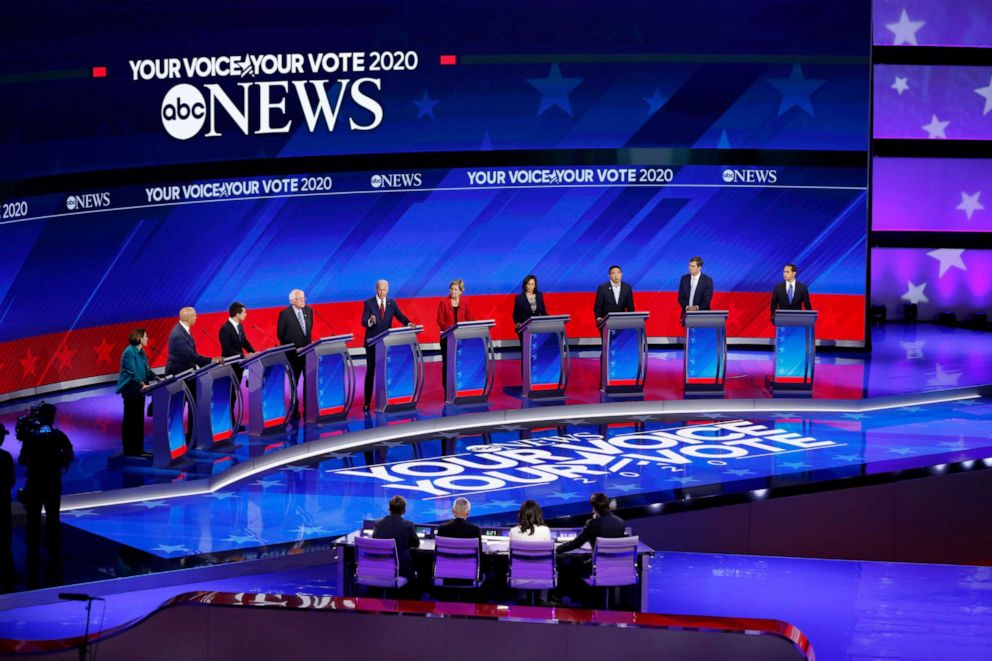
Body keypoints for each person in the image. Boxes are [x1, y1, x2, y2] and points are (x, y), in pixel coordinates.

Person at [18, 403, 74, 587]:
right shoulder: (59, 436)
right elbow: (69, 455)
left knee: (33, 517)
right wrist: (58, 463)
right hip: (52, 481)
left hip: (35, 482)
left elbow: (22, 459)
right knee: (53, 516)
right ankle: (53, 548)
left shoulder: (31, 437)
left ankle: (33, 549)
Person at [361, 280, 414, 412]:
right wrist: (370, 321)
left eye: (384, 290)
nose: (382, 292)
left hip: (386, 344)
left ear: (388, 290)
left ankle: (385, 399)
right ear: (376, 289)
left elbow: (400, 316)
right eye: (380, 290)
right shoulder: (369, 303)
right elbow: (363, 321)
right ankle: (367, 402)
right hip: (372, 343)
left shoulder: (391, 303)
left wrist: (408, 324)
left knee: (385, 372)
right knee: (371, 371)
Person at [115, 328, 158, 457]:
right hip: (130, 391)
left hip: (140, 391)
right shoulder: (129, 352)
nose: (147, 339)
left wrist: (158, 378)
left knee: (139, 420)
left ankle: (139, 449)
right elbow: (132, 373)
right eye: (146, 337)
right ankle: (130, 450)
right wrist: (143, 384)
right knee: (131, 420)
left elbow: (147, 370)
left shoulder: (141, 352)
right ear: (139, 338)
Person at [276, 289, 313, 418]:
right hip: (293, 355)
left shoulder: (309, 311)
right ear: (292, 301)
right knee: (294, 383)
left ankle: (308, 408)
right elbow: (281, 335)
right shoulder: (285, 314)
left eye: (304, 298)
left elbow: (308, 333)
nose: (303, 300)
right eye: (300, 299)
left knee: (309, 381)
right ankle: (294, 410)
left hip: (307, 353)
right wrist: (294, 348)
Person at [556, 492, 625, 555]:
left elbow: (577, 543)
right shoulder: (621, 522)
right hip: (619, 564)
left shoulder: (592, 524)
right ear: (607, 505)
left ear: (594, 509)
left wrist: (559, 548)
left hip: (599, 564)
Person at [437, 279, 475, 392]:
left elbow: (470, 318)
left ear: (461, 291)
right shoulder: (443, 302)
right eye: (451, 289)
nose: (453, 292)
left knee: (461, 362)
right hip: (447, 338)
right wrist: (451, 329)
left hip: (462, 338)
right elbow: (440, 320)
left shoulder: (465, 302)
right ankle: (447, 387)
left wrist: (475, 325)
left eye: (455, 289)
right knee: (447, 363)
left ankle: (461, 385)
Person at [372, 495, 420, 584]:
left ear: (389, 509)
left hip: (380, 566)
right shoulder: (408, 525)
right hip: (402, 569)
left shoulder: (378, 524)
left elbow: (375, 540)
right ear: (404, 510)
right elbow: (416, 544)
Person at [164, 307, 216, 376]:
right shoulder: (178, 335)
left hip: (186, 371)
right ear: (188, 318)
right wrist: (210, 361)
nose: (196, 318)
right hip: (179, 374)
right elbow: (190, 355)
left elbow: (192, 353)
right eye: (194, 316)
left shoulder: (183, 329)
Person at [513, 274, 549, 344]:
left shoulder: (539, 295)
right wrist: (517, 323)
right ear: (525, 285)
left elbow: (543, 312)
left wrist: (551, 320)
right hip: (525, 328)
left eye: (532, 284)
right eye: (528, 284)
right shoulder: (519, 298)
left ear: (535, 285)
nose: (530, 286)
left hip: (538, 328)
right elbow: (515, 314)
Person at [677, 256, 714, 323]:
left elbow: (707, 299)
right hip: (686, 316)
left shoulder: (707, 280)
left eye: (693, 266)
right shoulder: (684, 279)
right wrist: (687, 307)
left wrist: (696, 308)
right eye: (689, 265)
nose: (690, 268)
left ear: (699, 268)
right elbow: (681, 298)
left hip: (702, 316)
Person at [0, 424, 15, 592]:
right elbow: (10, 481)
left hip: (3, 501)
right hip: (2, 502)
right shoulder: (5, 457)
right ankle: (8, 574)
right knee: (4, 539)